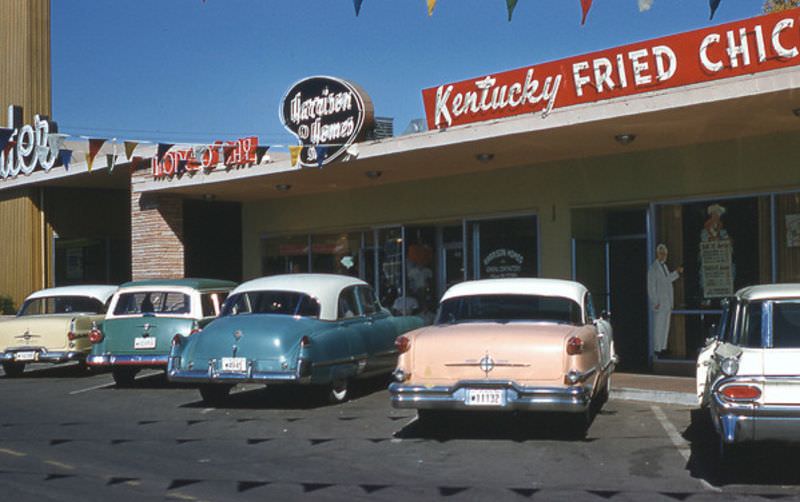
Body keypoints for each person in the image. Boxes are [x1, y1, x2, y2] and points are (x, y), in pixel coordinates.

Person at [647, 244, 683, 356]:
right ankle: (657, 349)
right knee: (659, 327)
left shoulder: (664, 267)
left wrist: (677, 272)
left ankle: (663, 347)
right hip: (660, 303)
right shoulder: (653, 268)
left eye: (664, 253)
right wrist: (655, 301)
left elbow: (667, 280)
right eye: (661, 253)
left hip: (667, 302)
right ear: (657, 254)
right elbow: (651, 286)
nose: (663, 256)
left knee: (665, 326)